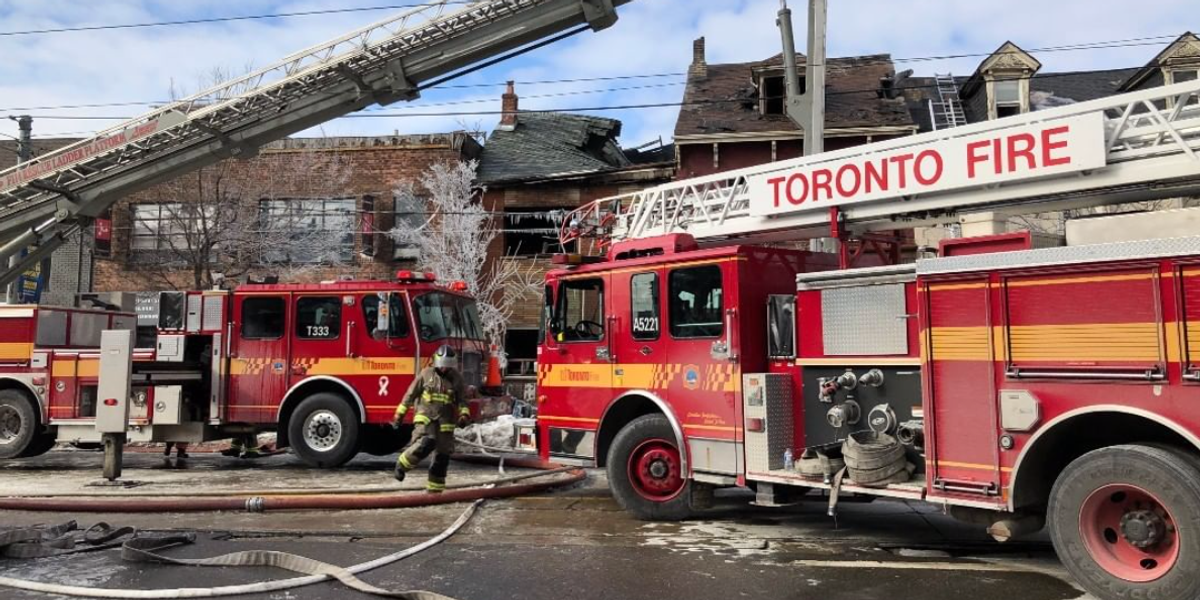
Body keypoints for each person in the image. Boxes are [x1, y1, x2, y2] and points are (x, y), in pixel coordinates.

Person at [392, 344, 471, 492]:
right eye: (441, 365)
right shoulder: (425, 374)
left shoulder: (456, 379)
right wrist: (399, 415)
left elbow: (462, 401)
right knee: (426, 442)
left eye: (447, 365)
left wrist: (464, 415)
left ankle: (435, 491)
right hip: (425, 417)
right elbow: (410, 395)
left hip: (445, 422)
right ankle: (402, 465)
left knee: (442, 457)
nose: (444, 368)